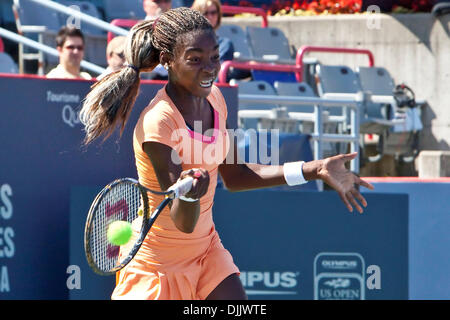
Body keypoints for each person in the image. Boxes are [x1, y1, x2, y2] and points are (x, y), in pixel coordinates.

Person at [80, 7, 374, 300]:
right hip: (158, 266)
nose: (209, 68)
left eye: (214, 57)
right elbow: (183, 221)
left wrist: (315, 168)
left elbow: (236, 175)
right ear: (167, 61)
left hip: (206, 251)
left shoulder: (216, 99)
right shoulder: (159, 122)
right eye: (195, 59)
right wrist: (191, 194)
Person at [140, 0, 173, 80]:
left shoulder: (178, 30)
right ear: (145, 5)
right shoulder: (138, 31)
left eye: (166, 1)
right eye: (157, 1)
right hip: (146, 83)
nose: (162, 5)